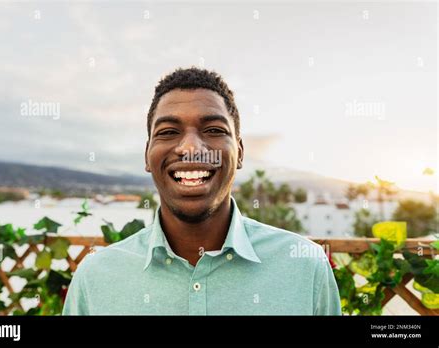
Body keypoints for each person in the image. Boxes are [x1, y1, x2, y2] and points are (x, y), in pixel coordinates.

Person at [63, 67, 341, 315]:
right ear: (147, 156)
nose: (191, 148)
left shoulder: (305, 268)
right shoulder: (95, 278)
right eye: (169, 131)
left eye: (213, 129)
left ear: (240, 153)